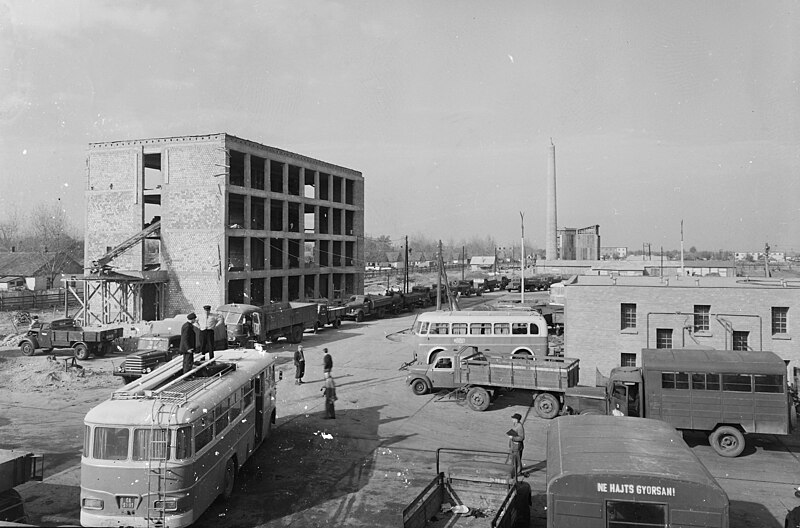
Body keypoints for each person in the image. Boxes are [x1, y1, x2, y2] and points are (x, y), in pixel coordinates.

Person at [506, 413, 525, 477]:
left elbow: (521, 437)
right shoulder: (515, 424)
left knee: (517, 459)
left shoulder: (519, 427)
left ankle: (518, 472)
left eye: (513, 418)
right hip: (513, 445)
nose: (512, 419)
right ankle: (515, 470)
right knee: (514, 459)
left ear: (516, 419)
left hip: (517, 446)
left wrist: (513, 438)